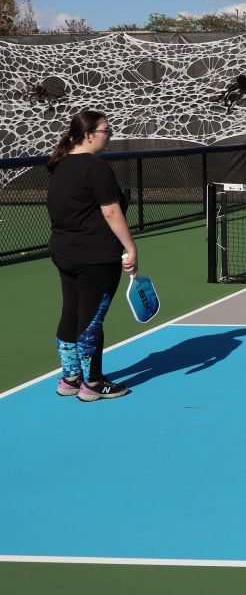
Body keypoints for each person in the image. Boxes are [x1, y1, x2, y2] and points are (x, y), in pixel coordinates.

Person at [45, 110, 138, 402]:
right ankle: (93, 383)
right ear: (88, 135)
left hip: (64, 253)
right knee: (91, 319)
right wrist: (131, 248)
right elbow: (111, 212)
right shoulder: (96, 167)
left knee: (71, 312)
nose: (109, 136)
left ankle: (70, 378)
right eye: (106, 131)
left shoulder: (60, 164)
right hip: (95, 257)